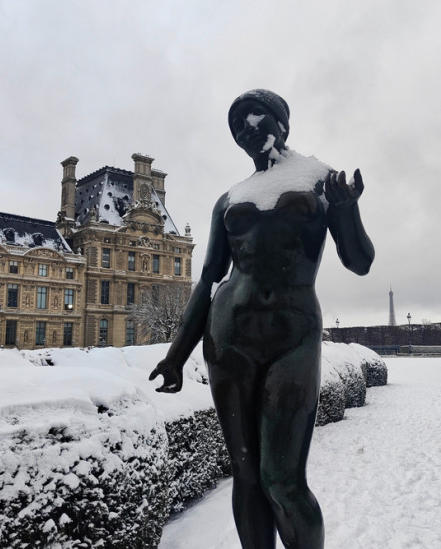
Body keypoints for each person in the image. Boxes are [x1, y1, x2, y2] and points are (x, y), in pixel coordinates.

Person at [150, 89, 374, 549]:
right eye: (238, 129)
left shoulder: (321, 180)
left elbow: (359, 262)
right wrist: (177, 356)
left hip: (293, 338)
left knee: (282, 481)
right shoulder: (231, 198)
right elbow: (210, 278)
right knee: (247, 475)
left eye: (255, 121)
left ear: (281, 124)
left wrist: (347, 209)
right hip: (228, 339)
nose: (247, 132)